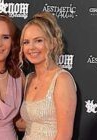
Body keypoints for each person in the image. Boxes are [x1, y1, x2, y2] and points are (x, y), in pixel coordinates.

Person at [17, 11, 77, 140]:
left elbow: (64, 135)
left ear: (53, 43)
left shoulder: (62, 79)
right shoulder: (28, 79)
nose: (31, 47)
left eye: (38, 40)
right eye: (26, 42)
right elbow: (26, 123)